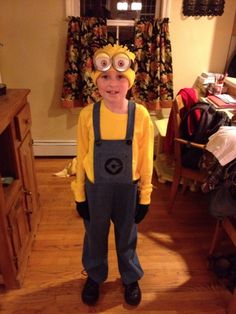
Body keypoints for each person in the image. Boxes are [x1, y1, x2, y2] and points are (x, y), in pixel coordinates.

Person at [71, 43, 154, 306]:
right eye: (105, 76)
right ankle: (95, 274)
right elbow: (82, 156)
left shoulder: (140, 116)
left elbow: (146, 158)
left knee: (126, 234)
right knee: (95, 233)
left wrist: (145, 196)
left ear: (129, 81)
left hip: (128, 188)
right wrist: (80, 194)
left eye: (120, 77)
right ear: (96, 80)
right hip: (97, 189)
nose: (112, 84)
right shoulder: (87, 115)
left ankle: (130, 276)